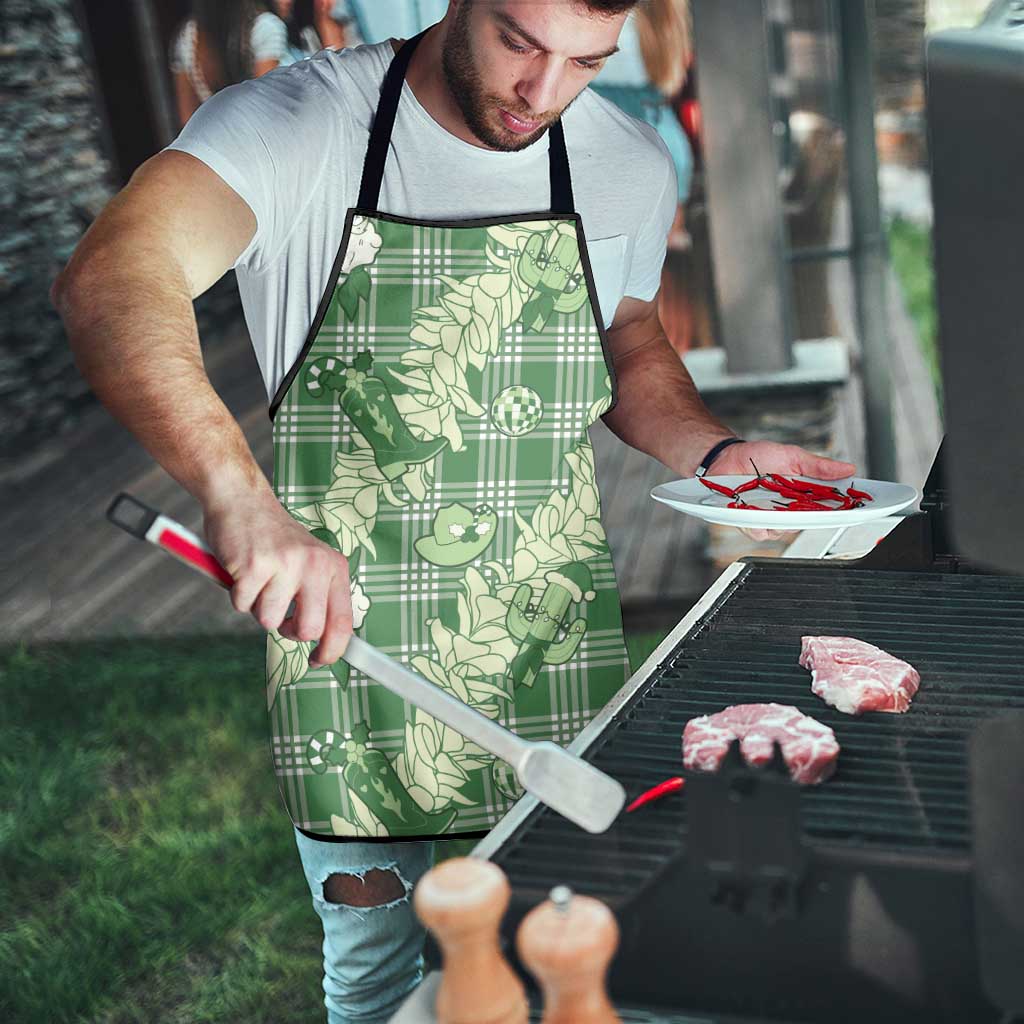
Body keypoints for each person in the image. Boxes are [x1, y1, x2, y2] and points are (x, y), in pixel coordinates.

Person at [52, 2, 856, 1021]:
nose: (543, 93)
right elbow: (113, 275)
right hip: (350, 661)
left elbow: (630, 339)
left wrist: (717, 449)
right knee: (382, 981)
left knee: (569, 959)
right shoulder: (298, 124)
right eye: (521, 42)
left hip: (550, 640)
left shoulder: (624, 159)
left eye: (585, 62)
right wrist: (237, 496)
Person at [169, 0, 289, 127]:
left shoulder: (188, 37)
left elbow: (187, 120)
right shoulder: (266, 27)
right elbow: (266, 107)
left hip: (215, 140)